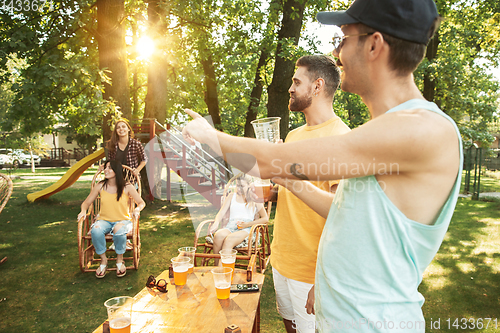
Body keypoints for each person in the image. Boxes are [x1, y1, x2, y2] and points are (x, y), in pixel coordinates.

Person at [182, 0, 463, 331]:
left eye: (343, 38)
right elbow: (346, 211)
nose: (336, 50)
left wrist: (210, 136)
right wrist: (291, 182)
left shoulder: (422, 128)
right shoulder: (387, 133)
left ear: (374, 44)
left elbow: (275, 159)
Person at [270, 55, 350, 333]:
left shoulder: (341, 139)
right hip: (281, 259)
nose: (290, 88)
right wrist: (272, 183)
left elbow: (344, 218)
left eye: (296, 81)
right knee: (290, 327)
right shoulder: (292, 136)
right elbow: (287, 195)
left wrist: (323, 279)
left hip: (311, 270)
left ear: (317, 86)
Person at [78, 160, 146, 278]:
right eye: (105, 168)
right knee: (96, 230)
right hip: (104, 220)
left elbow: (141, 203)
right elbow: (86, 203)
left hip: (123, 220)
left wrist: (137, 210)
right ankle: (103, 261)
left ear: (117, 170)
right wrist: (83, 211)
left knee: (119, 230)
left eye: (109, 168)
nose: (106, 170)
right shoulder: (100, 185)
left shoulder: (127, 186)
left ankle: (120, 260)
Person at [210, 173, 268, 265]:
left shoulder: (254, 198)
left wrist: (247, 225)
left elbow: (265, 218)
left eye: (242, 186)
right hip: (231, 226)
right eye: (238, 186)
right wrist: (216, 222)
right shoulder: (231, 196)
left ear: (249, 185)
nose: (239, 189)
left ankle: (225, 270)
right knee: (218, 235)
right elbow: (221, 212)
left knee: (229, 240)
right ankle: (216, 267)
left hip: (246, 229)